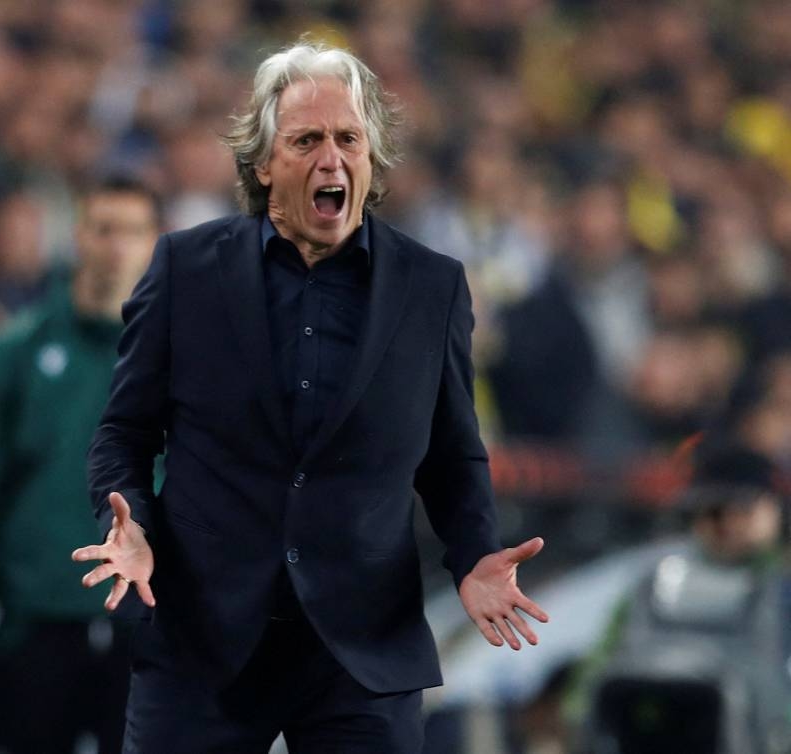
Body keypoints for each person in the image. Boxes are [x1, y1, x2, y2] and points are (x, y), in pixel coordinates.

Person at [73, 42, 548, 753]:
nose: (332, 158)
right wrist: (132, 524)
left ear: (373, 158)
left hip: (360, 648)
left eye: (348, 139)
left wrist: (474, 555)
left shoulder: (433, 288)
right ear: (263, 164)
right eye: (306, 140)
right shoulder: (184, 271)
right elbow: (124, 434)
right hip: (204, 639)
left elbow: (451, 456)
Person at [0, 176, 162, 754]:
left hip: (148, 624)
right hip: (36, 621)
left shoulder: (181, 356)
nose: (116, 246)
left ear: (155, 242)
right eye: (103, 228)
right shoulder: (15, 351)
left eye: (132, 231)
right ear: (78, 236)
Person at [566, 440, 791, 753]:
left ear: (773, 509)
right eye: (712, 511)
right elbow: (601, 665)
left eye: (741, 509)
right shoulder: (657, 579)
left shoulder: (778, 586)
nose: (725, 523)